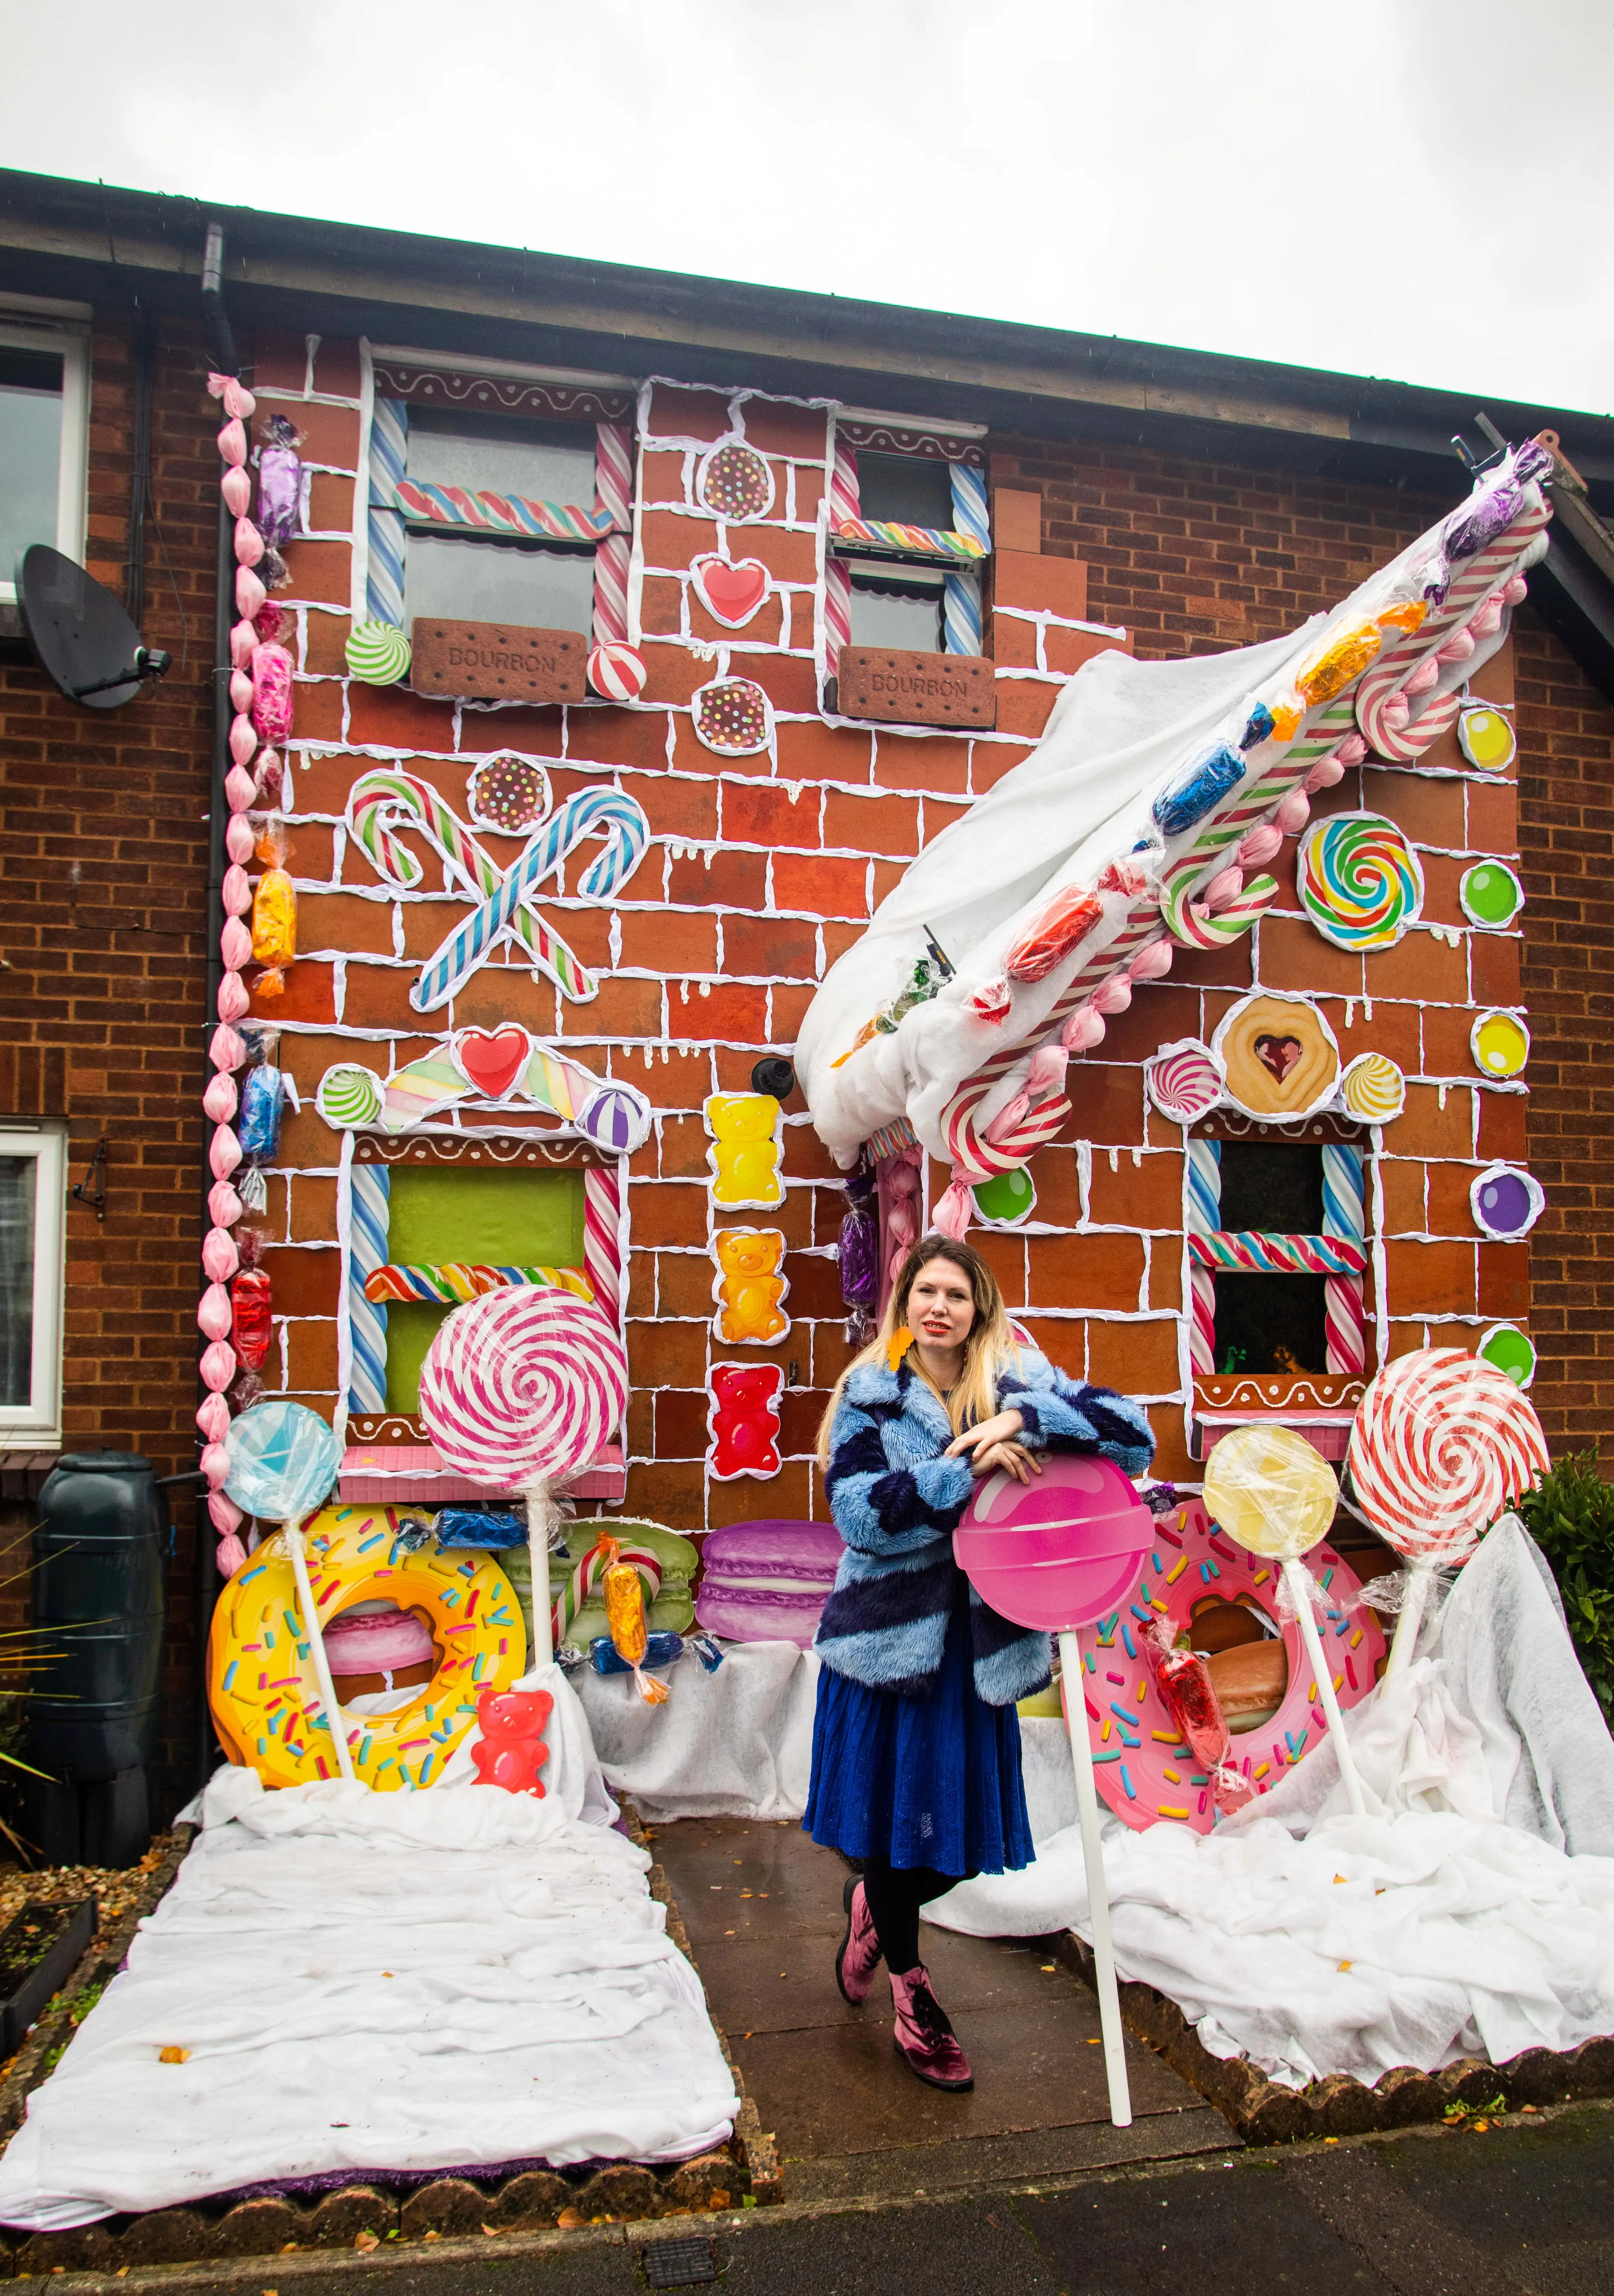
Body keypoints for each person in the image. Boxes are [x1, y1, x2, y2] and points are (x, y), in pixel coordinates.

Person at [805, 1233, 1154, 2090]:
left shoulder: (1017, 1377)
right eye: (925, 1291)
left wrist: (1020, 1420)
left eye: (956, 1295)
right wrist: (962, 1467)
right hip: (889, 1645)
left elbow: (1135, 1436)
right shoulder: (872, 1394)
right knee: (896, 1828)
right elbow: (860, 1514)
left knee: (955, 1845)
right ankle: (914, 1995)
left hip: (982, 1645)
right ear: (904, 1304)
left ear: (979, 1308)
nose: (939, 1308)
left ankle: (875, 1912)